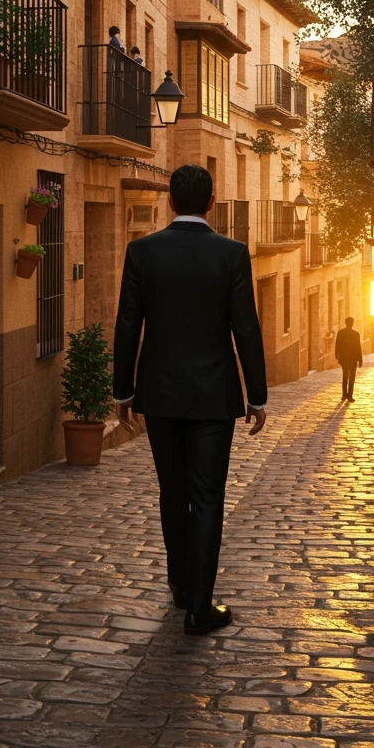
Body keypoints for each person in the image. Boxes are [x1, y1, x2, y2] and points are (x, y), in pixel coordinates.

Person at [113, 163, 267, 636]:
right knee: (207, 496)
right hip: (213, 397)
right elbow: (245, 327)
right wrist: (256, 396)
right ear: (212, 202)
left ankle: (181, 585)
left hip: (159, 395)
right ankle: (199, 607)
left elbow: (127, 324)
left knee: (172, 493)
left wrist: (123, 389)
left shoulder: (142, 251)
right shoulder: (232, 253)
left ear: (170, 203)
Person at [334, 316, 363, 402]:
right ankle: (349, 396)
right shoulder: (356, 334)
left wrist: (337, 355)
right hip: (353, 359)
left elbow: (337, 345)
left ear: (345, 323)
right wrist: (360, 360)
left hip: (344, 358)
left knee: (345, 376)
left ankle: (344, 395)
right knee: (352, 377)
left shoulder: (340, 332)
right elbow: (359, 347)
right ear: (352, 323)